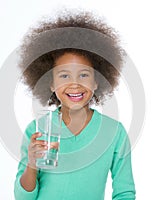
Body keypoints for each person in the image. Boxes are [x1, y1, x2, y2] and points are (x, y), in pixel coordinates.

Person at [14, 10, 136, 200]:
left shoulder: (114, 133)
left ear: (97, 81)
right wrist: (32, 163)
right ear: (51, 84)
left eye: (84, 75)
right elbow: (23, 198)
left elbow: (124, 193)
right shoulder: (36, 132)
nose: (74, 83)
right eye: (64, 75)